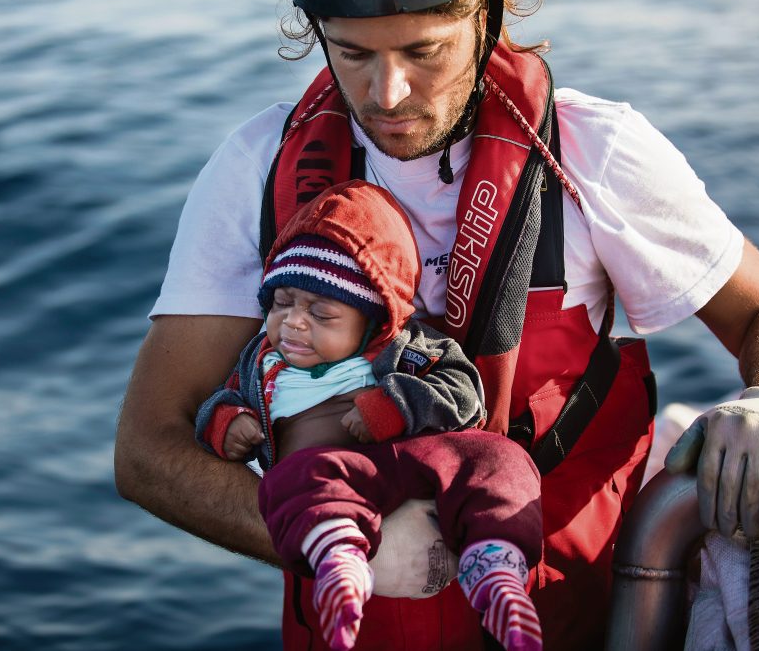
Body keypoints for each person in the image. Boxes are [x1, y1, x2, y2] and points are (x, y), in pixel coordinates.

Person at [113, 0, 759, 648]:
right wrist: (329, 541)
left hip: (572, 621)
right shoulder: (254, 169)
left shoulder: (592, 150)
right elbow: (148, 450)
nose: (387, 91)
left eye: (424, 50)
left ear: (487, 17)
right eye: (353, 52)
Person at [194, 180, 544, 651]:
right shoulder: (261, 362)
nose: (294, 322)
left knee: (501, 459)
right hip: (334, 474)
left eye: (321, 313)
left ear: (374, 318)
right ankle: (340, 557)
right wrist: (227, 423)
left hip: (419, 461)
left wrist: (395, 406)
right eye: (281, 303)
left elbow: (466, 394)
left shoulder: (408, 349)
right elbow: (217, 401)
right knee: (289, 482)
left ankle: (496, 566)